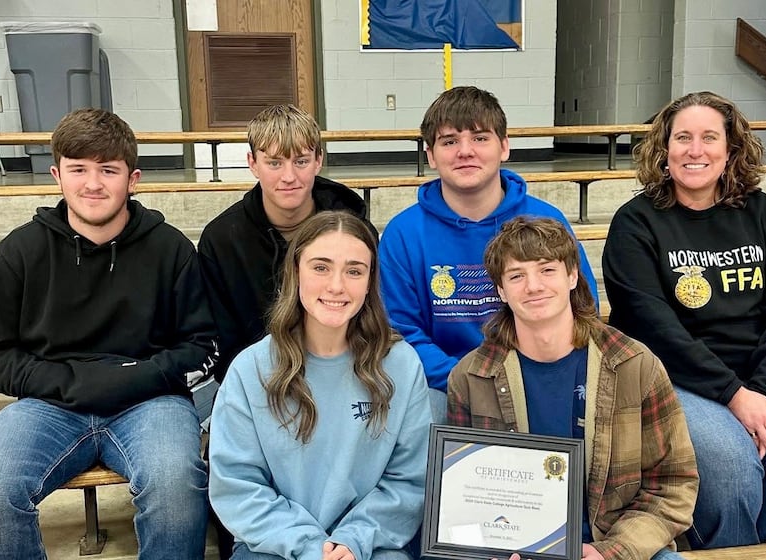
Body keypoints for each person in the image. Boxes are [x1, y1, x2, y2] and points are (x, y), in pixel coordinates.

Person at [0, 108, 217, 559]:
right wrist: (66, 382)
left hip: (151, 403)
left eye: (108, 170)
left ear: (133, 179)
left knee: (175, 483)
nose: (93, 184)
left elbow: (202, 345)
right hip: (49, 404)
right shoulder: (21, 251)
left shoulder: (170, 248)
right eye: (78, 169)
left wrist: (135, 378)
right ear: (57, 175)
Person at [602, 91, 766, 549]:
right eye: (683, 138)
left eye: (709, 137)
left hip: (764, 370)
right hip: (677, 373)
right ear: (664, 148)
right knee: (728, 464)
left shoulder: (763, 214)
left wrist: (764, 392)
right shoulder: (635, 223)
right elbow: (651, 325)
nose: (695, 150)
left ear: (731, 149)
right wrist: (733, 394)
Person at [449, 216, 698, 560]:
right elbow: (464, 499)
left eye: (547, 270)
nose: (533, 286)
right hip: (519, 550)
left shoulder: (634, 364)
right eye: (516, 276)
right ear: (501, 291)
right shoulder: (471, 377)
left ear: (572, 276)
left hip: (615, 545)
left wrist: (610, 552)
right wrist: (493, 549)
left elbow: (673, 485)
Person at [209, 211, 431, 560]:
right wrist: (312, 548)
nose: (336, 286)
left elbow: (409, 481)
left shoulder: (401, 365)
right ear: (295, 272)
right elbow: (237, 486)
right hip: (273, 547)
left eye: (354, 271)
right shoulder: (250, 369)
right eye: (321, 267)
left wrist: (353, 540)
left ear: (370, 281)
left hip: (370, 546)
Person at [379, 86, 599, 423]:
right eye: (449, 141)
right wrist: (471, 381)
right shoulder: (403, 234)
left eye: (480, 138)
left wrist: (526, 379)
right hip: (446, 384)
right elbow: (401, 332)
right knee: (423, 419)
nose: (465, 151)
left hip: (537, 377)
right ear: (431, 155)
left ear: (504, 146)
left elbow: (582, 308)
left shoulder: (546, 220)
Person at [198, 104, 377, 381]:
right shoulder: (221, 240)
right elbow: (223, 343)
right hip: (258, 378)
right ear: (252, 163)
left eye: (301, 161)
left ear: (318, 160)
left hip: (347, 372)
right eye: (274, 163)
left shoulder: (355, 232)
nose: (289, 177)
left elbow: (371, 316)